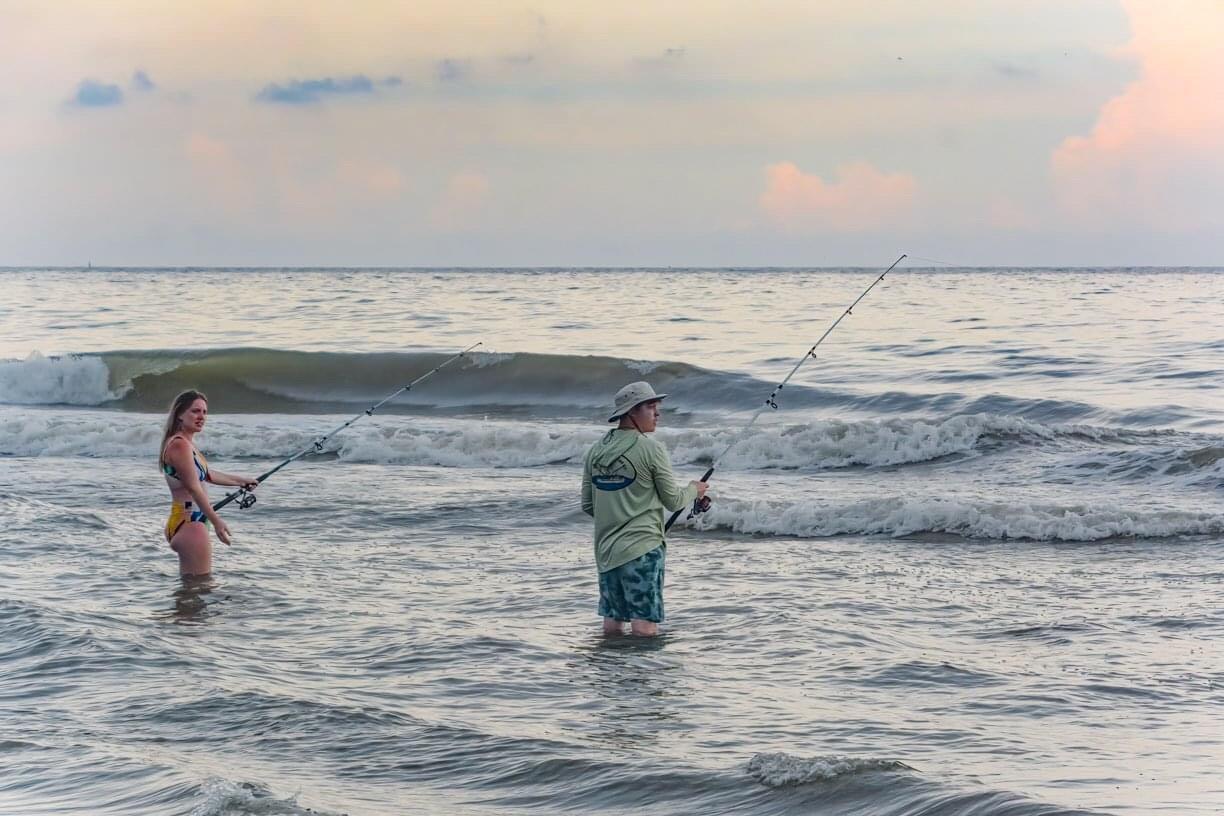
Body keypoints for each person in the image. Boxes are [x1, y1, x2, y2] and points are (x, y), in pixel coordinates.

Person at [581, 381, 708, 636]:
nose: (658, 413)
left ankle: (611, 670)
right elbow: (673, 500)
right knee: (644, 624)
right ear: (632, 412)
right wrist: (695, 489)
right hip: (642, 549)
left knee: (612, 622)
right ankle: (644, 675)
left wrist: (619, 512)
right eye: (651, 407)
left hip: (606, 551)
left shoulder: (595, 451)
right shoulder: (652, 449)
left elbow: (587, 505)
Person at [158, 390, 257, 576]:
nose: (201, 417)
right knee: (199, 587)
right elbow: (194, 488)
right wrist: (216, 521)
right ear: (180, 414)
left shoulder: (186, 444)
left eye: (204, 412)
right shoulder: (179, 445)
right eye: (195, 411)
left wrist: (241, 481)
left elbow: (207, 475)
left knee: (192, 593)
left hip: (188, 520)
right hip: (190, 523)